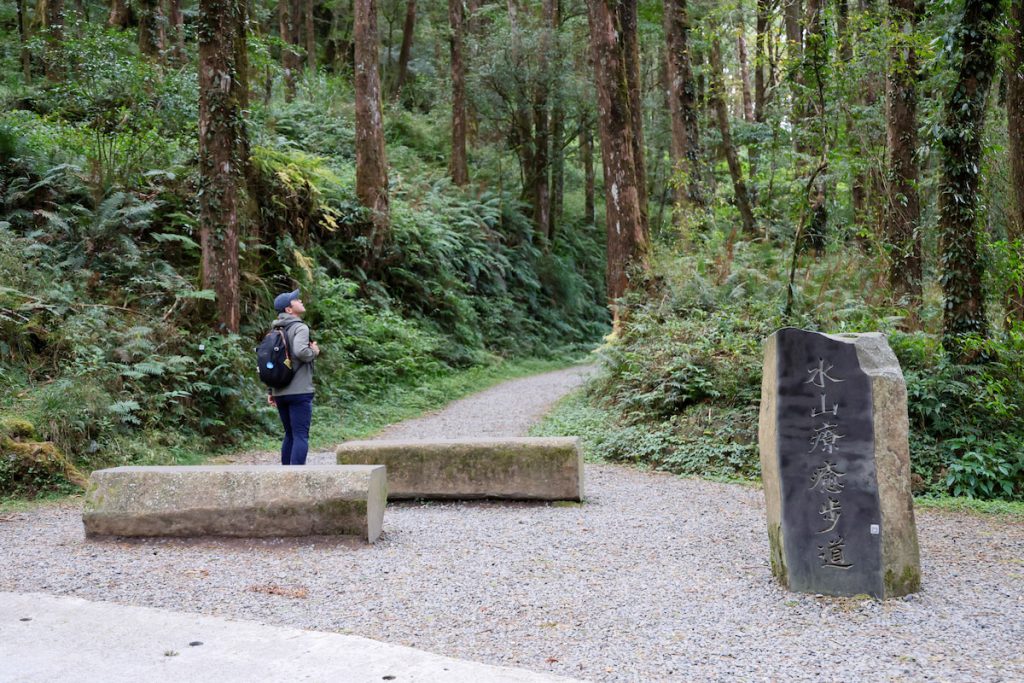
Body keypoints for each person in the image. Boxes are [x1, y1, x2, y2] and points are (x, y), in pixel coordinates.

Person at [267, 289, 320, 465]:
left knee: (289, 434)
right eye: (296, 300)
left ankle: (285, 476)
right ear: (289, 310)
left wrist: (271, 390)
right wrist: (314, 351)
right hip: (299, 391)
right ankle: (295, 479)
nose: (300, 300)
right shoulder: (300, 327)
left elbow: (272, 361)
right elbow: (301, 352)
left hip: (279, 391)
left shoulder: (274, 331)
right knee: (300, 435)